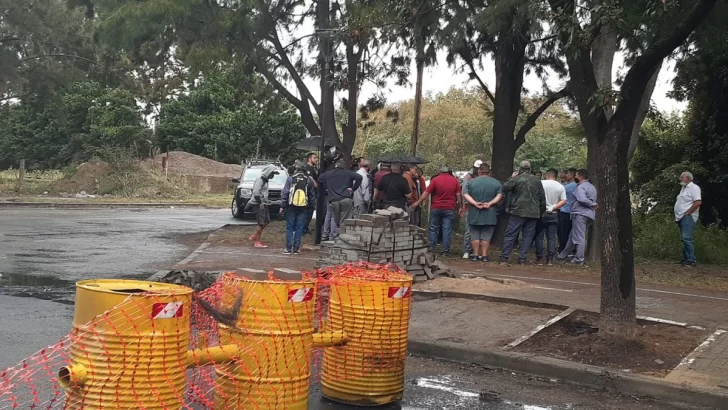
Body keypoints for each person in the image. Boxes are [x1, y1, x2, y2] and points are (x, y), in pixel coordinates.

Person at [499, 161, 546, 265]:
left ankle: (504, 257)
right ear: (530, 168)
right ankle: (522, 259)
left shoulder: (517, 179)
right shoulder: (537, 180)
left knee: (511, 234)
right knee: (528, 236)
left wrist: (511, 177)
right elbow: (542, 198)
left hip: (517, 211)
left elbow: (505, 188)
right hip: (533, 213)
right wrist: (540, 211)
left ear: (520, 168)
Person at [413, 166, 462, 255]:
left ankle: (432, 248)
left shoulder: (435, 180)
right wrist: (460, 206)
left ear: (440, 171)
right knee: (446, 230)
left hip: (436, 207)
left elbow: (426, 193)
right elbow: (458, 194)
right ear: (448, 172)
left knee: (433, 228)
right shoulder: (454, 180)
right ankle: (445, 250)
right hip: (449, 208)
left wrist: (418, 202)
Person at [462, 163, 503, 262]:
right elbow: (500, 195)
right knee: (486, 235)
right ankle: (484, 255)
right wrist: (490, 203)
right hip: (490, 212)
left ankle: (475, 254)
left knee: (474, 234)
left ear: (479, 171)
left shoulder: (471, 182)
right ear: (489, 172)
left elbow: (465, 194)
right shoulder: (496, 183)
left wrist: (475, 203)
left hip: (474, 212)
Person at [557, 169, 597, 265]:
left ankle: (579, 259)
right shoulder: (591, 187)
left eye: (576, 175)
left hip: (580, 214)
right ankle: (563, 255)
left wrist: (593, 204)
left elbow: (582, 199)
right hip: (588, 215)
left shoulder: (581, 187)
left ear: (580, 177)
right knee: (572, 236)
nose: (575, 176)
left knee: (579, 237)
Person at [318, 160, 362, 240]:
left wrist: (326, 189)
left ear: (335, 166)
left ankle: (331, 236)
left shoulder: (328, 174)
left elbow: (320, 179)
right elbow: (359, 177)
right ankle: (340, 237)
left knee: (334, 218)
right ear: (344, 167)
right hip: (345, 198)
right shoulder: (348, 173)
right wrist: (352, 189)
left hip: (333, 200)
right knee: (344, 220)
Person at [280, 165, 316, 255]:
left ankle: (288, 249)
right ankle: (296, 249)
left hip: (291, 206)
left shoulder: (290, 179)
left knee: (290, 228)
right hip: (303, 207)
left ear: (296, 170)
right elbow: (312, 195)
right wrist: (311, 206)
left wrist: (283, 206)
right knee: (299, 228)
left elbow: (285, 193)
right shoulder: (308, 180)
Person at [534, 168, 567, 265]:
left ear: (547, 175)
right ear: (556, 176)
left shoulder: (540, 183)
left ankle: (539, 258)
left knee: (539, 236)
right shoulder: (560, 186)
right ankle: (550, 259)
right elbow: (564, 200)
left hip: (541, 213)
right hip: (553, 214)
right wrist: (554, 207)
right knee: (551, 237)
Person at [248, 164, 280, 248]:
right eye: (272, 173)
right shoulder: (260, 180)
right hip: (258, 204)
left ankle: (255, 236)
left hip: (264, 203)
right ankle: (257, 242)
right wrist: (260, 202)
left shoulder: (265, 181)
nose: (273, 175)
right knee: (261, 223)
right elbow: (256, 192)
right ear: (268, 172)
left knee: (267, 220)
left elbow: (263, 193)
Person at [674, 171, 701, 267]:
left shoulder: (693, 188)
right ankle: (686, 258)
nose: (680, 178)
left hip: (687, 217)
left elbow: (697, 202)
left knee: (686, 237)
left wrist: (688, 213)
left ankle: (691, 259)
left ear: (688, 178)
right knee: (684, 238)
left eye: (682, 177)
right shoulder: (683, 188)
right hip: (681, 217)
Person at [462, 160, 483, 259]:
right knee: (469, 230)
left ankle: (473, 250)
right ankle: (466, 250)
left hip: (479, 207)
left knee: (477, 230)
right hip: (469, 207)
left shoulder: (480, 178)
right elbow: (464, 192)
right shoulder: (468, 177)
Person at [558, 168, 578, 253]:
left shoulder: (566, 187)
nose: (566, 175)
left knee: (563, 232)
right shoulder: (578, 186)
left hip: (565, 211)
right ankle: (573, 250)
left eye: (568, 174)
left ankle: (563, 249)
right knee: (572, 232)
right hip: (574, 212)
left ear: (572, 175)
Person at [302, 153, 319, 235]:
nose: (316, 159)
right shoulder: (308, 167)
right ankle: (304, 229)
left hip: (313, 192)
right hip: (310, 192)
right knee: (308, 210)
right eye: (314, 158)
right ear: (309, 159)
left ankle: (305, 227)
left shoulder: (314, 168)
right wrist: (317, 186)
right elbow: (310, 178)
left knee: (311, 210)